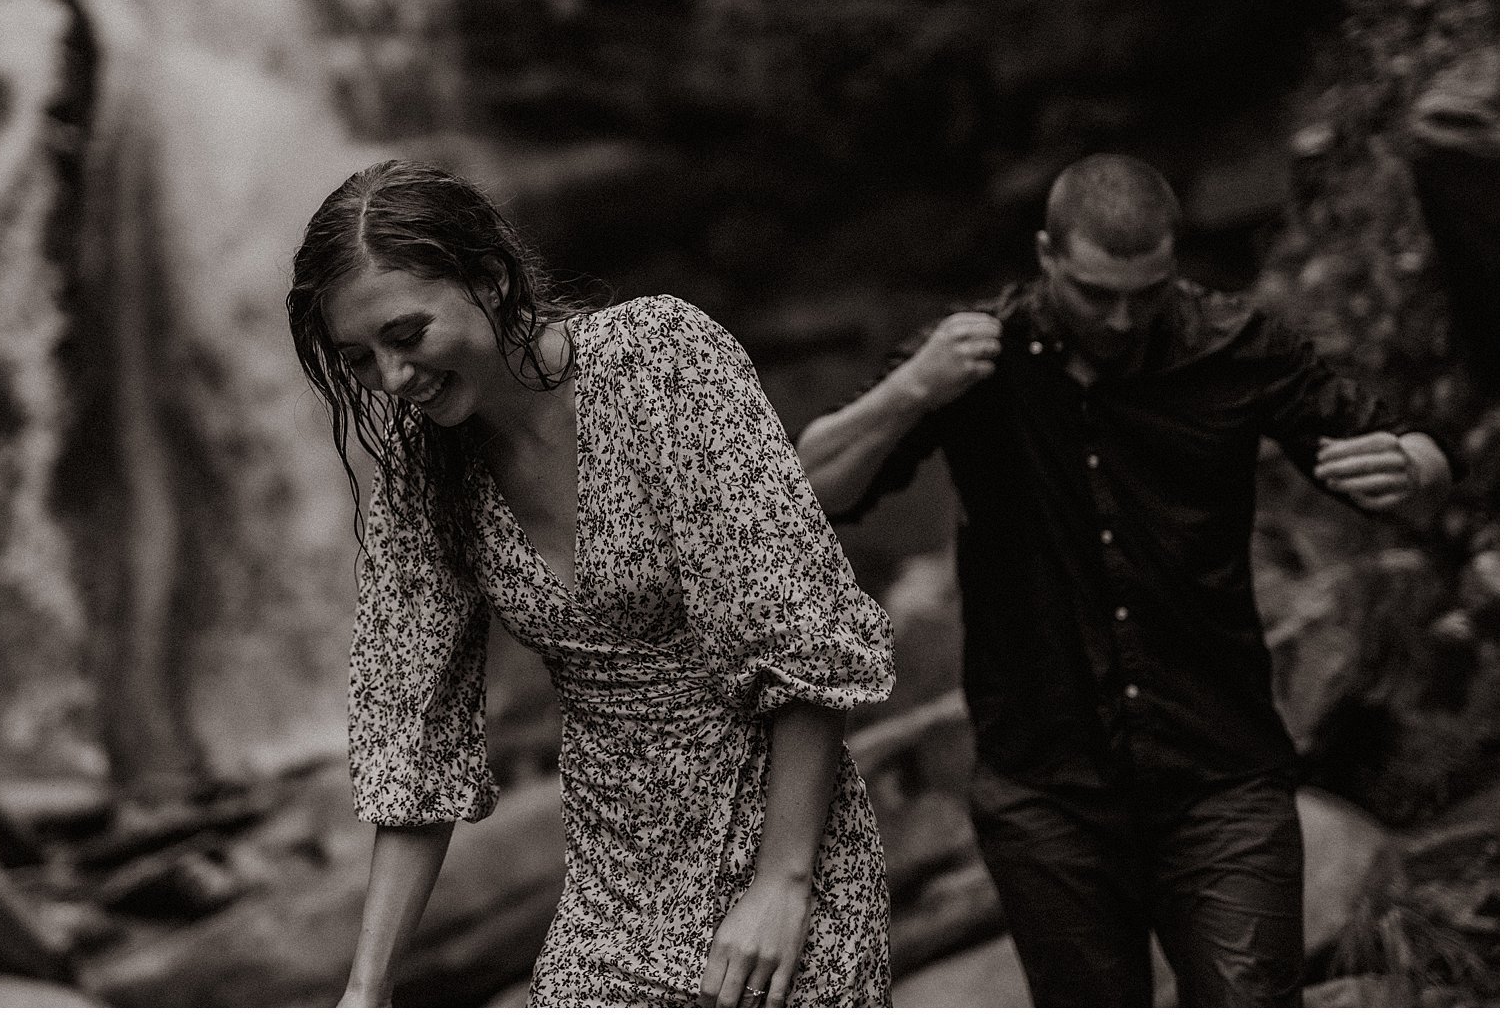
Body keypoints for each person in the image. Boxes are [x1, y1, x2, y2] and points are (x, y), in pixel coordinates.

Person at [797, 153, 1452, 1007]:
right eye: (1096, 292)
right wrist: (912, 391)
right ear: (1046, 255)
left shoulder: (1238, 346)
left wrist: (1411, 466)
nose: (1121, 317)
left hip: (1221, 775)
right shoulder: (973, 358)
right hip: (1046, 791)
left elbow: (1424, 450)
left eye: (1146, 292)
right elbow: (806, 487)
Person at [286, 160, 895, 1008]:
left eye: (407, 334)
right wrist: (366, 988)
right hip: (611, 888)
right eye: (359, 358)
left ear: (492, 281)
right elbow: (411, 733)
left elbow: (797, 625)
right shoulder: (424, 480)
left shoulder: (660, 359)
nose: (391, 379)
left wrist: (782, 884)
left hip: (782, 846)